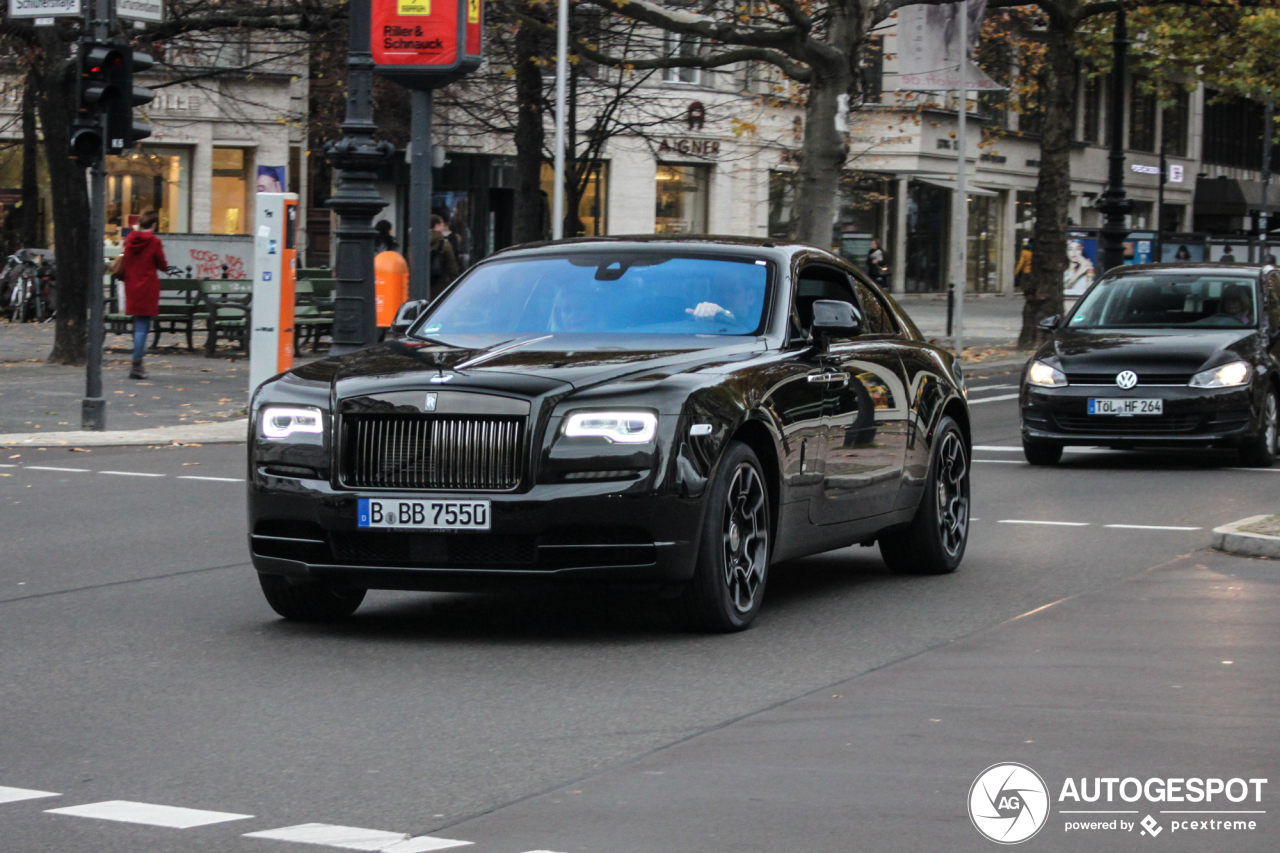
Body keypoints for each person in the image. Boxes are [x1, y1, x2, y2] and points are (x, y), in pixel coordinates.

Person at [116, 209, 167, 379]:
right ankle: (137, 365)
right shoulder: (154, 242)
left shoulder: (129, 240)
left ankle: (136, 364)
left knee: (137, 325)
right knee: (143, 326)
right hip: (148, 287)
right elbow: (162, 264)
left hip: (131, 286)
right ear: (153, 225)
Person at [429, 214, 460, 298]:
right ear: (437, 226)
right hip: (439, 289)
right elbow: (452, 269)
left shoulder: (416, 243)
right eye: (442, 224)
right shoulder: (444, 244)